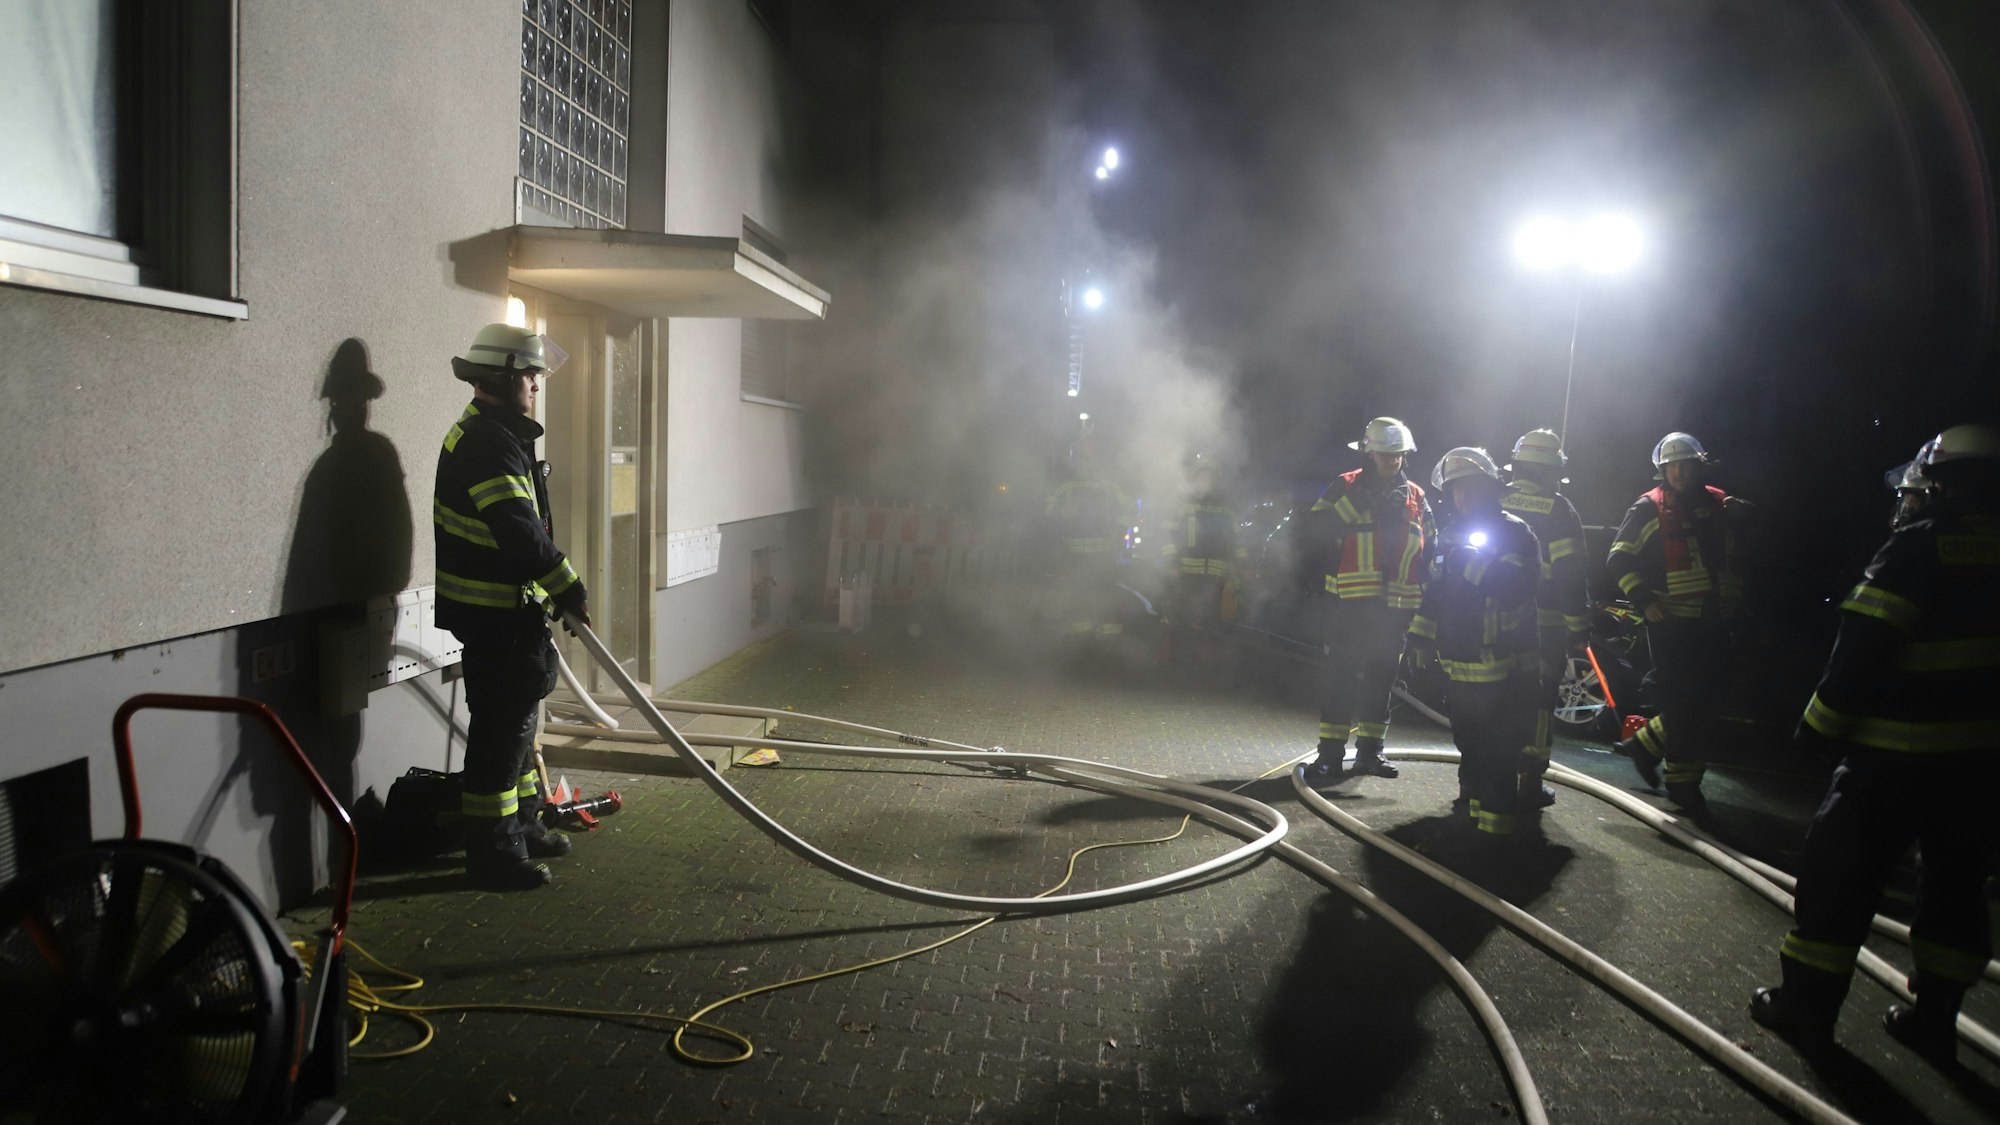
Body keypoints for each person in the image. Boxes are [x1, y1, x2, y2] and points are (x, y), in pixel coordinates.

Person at [1750, 425, 2000, 1055]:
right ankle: (1935, 1021)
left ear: (1940, 483)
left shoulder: (1917, 550)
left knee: (1839, 878)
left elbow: (1862, 652)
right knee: (1956, 885)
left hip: (1889, 759)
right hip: (1977, 765)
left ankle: (1806, 1010)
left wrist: (1817, 730)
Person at [434, 323, 591, 891]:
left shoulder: (498, 433)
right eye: (530, 374)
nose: (537, 385)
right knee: (501, 737)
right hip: (493, 612)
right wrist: (570, 587)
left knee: (518, 726)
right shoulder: (486, 442)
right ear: (502, 377)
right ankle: (494, 854)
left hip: (505, 608)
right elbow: (519, 531)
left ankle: (523, 825)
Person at [1605, 432, 1752, 815]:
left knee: (1705, 704)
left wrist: (1748, 516)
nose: (1679, 472)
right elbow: (1619, 559)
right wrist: (1645, 600)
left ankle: (1646, 746)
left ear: (1700, 466)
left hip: (1717, 622)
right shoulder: (1648, 508)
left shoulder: (1723, 504)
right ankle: (1682, 786)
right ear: (1662, 471)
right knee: (1687, 703)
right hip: (1672, 624)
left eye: (1686, 464)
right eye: (1672, 466)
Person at [1406, 447, 1540, 838]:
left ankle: (1497, 829)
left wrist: (1469, 561)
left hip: (1500, 662)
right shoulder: (1450, 534)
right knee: (1467, 737)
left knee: (1497, 743)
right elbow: (1434, 593)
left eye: (1469, 488)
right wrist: (1418, 636)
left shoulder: (1515, 532)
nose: (1461, 498)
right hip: (1457, 660)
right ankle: (1472, 806)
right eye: (1455, 491)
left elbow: (1516, 588)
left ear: (1488, 488)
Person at [1304, 417, 1436, 782]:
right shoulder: (1346, 485)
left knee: (1381, 682)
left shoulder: (1417, 496)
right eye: (1385, 454)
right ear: (1370, 452)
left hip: (1393, 611)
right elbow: (1314, 530)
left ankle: (1370, 755)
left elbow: (1431, 550)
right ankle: (1329, 757)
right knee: (1340, 681)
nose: (1392, 461)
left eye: (1398, 455)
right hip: (1348, 605)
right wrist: (1357, 502)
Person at [1501, 429, 1592, 809]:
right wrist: (1579, 626)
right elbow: (1571, 572)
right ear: (1552, 471)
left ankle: (1484, 775)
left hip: (1493, 619)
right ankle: (1529, 780)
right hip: (1544, 623)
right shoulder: (1559, 509)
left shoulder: (1494, 499)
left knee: (1495, 694)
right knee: (1538, 699)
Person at [1045, 435, 1133, 639]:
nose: (1090, 449)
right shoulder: (1066, 477)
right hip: (1074, 550)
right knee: (1079, 594)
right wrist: (1062, 512)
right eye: (1086, 446)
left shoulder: (1109, 478)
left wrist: (1116, 529)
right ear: (1078, 449)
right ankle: (1081, 640)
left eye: (1093, 446)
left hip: (1104, 550)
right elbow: (1049, 507)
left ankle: (1110, 638)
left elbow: (1126, 507)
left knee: (1106, 594)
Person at [1158, 455, 1243, 663]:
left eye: (1209, 475)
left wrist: (1239, 567)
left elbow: (1236, 540)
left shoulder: (1226, 507)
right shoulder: (1183, 503)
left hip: (1216, 575)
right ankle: (1171, 662)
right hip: (1185, 573)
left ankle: (1202, 667)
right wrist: (1172, 563)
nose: (1205, 479)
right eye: (1202, 475)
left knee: (1208, 622)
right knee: (1178, 617)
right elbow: (1167, 535)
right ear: (1195, 477)